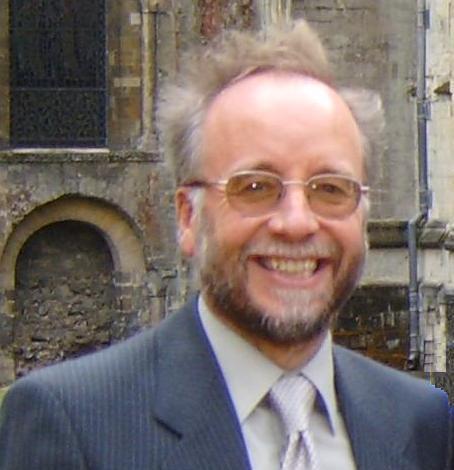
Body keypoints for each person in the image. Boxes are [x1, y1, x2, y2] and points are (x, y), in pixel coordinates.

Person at [0, 20, 452, 470]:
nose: (297, 222)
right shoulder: (74, 423)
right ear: (188, 216)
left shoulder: (419, 422)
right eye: (255, 187)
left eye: (330, 189)